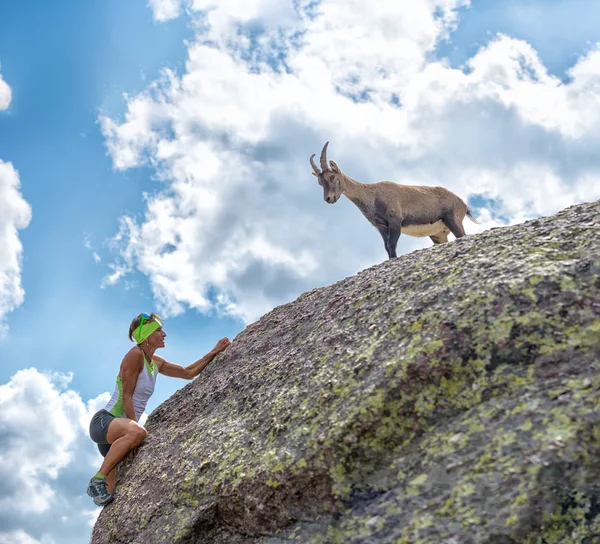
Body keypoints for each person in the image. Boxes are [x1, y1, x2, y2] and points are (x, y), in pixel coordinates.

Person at [86, 312, 231, 506]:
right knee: (137, 433)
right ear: (146, 335)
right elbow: (127, 396)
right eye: (158, 330)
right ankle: (96, 481)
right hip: (105, 423)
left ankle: (101, 488)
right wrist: (134, 429)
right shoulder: (135, 355)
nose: (164, 334)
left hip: (119, 433)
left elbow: (188, 373)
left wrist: (214, 351)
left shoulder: (156, 362)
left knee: (111, 498)